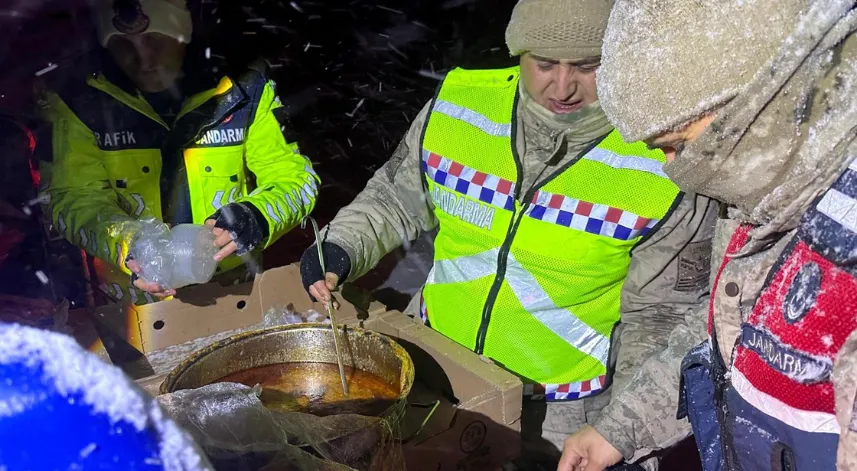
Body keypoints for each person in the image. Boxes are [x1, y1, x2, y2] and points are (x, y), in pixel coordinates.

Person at [300, 0, 718, 466]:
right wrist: (340, 246)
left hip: (562, 413)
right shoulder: (461, 105)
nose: (563, 86)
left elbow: (659, 317)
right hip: (435, 370)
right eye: (544, 64)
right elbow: (396, 198)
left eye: (587, 66)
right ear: (518, 52)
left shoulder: (662, 156)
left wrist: (624, 433)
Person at [559, 1, 857, 470]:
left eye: (678, 145)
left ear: (762, 102)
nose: (673, 170)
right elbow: (734, 326)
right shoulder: (771, 199)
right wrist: (620, 429)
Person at [40, 0, 319, 305]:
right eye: (123, 45)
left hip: (234, 290)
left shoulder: (245, 89)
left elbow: (295, 178)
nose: (144, 60)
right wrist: (129, 243)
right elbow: (71, 198)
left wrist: (256, 216)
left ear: (184, 33)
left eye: (156, 40)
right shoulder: (80, 101)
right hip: (134, 303)